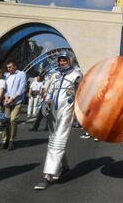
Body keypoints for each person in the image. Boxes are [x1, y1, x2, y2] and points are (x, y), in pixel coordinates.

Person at [34, 52, 82, 190]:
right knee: (53, 140)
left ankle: (47, 175)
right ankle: (64, 166)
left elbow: (82, 93)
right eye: (60, 60)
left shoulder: (77, 74)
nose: (61, 63)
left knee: (57, 142)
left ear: (70, 60)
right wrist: (45, 102)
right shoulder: (55, 75)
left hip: (67, 111)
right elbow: (50, 91)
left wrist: (79, 113)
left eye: (64, 60)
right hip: (53, 113)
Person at [1, 59, 27, 150]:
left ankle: (12, 140)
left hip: (17, 101)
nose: (8, 69)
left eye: (10, 67)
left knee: (12, 120)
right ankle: (5, 141)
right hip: (7, 102)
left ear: (15, 66)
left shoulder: (21, 74)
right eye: (7, 67)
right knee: (5, 121)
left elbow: (21, 89)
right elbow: (4, 88)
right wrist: (6, 97)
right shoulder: (6, 75)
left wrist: (12, 98)